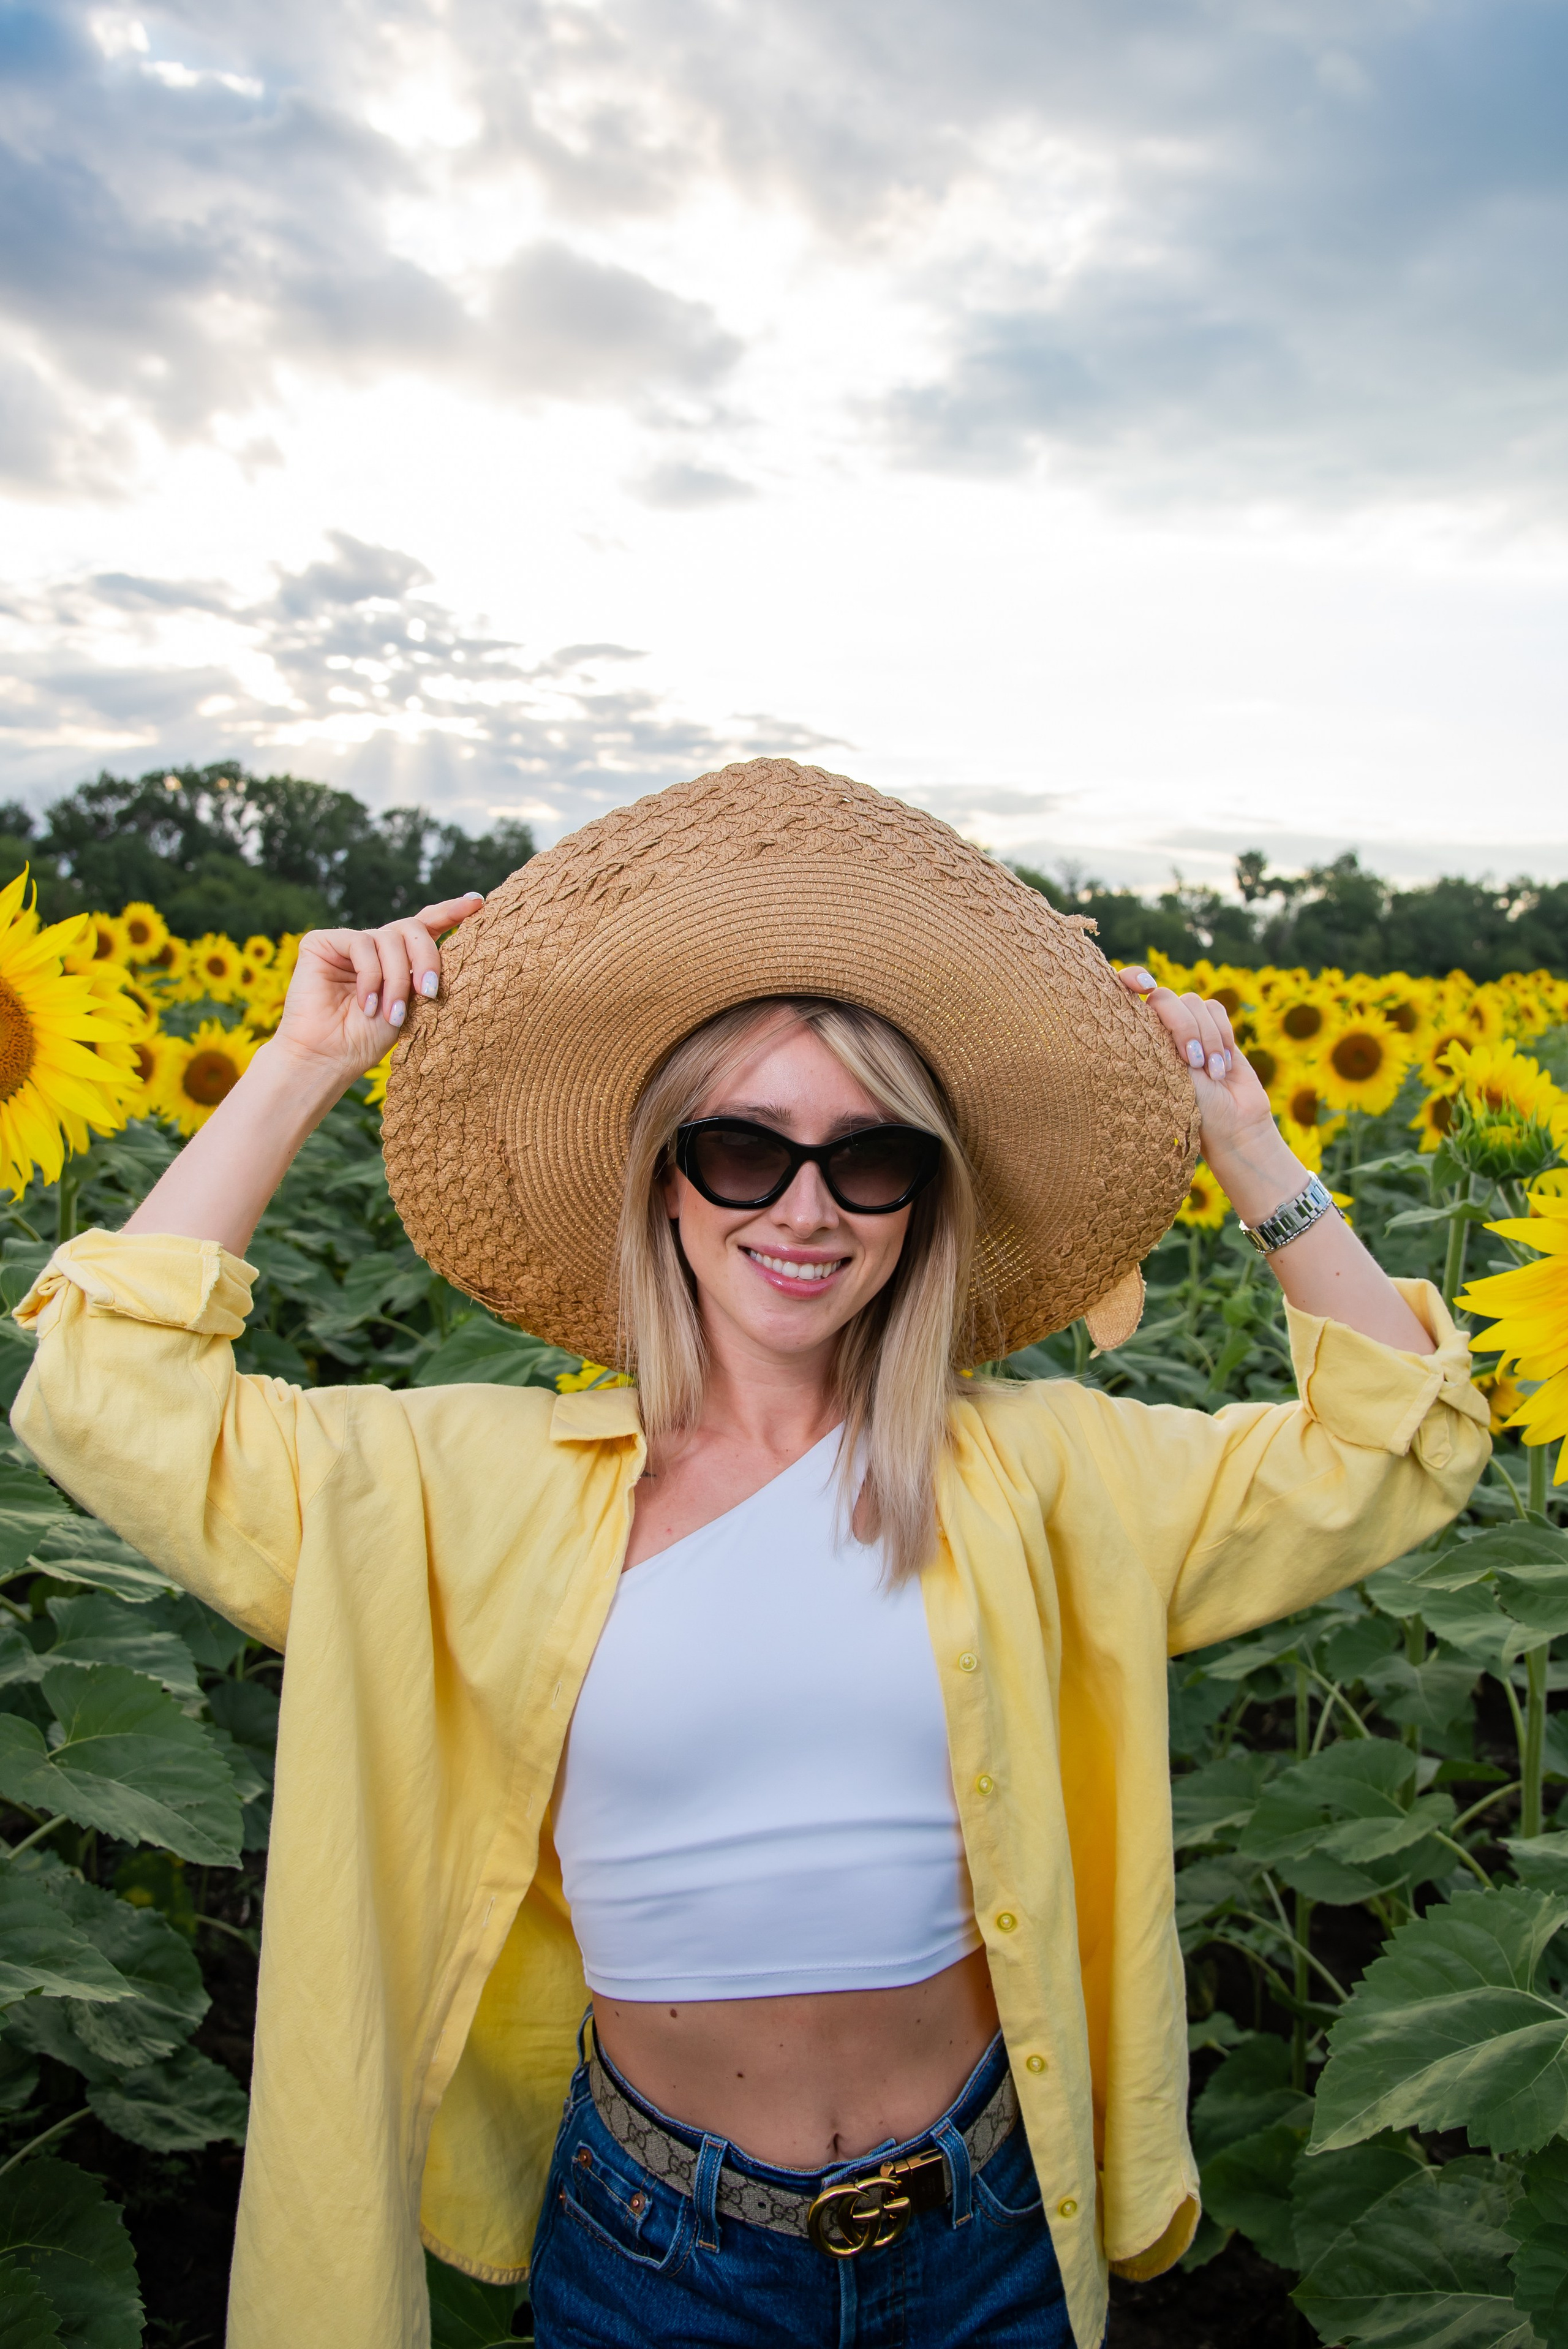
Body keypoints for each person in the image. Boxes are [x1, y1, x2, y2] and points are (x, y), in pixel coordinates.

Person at [12, 759, 1488, 2349]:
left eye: (873, 1157)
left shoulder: (1038, 1471)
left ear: (924, 1199)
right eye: (742, 1148)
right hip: (661, 2249)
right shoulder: (465, 1491)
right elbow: (106, 1401)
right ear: (662, 1170)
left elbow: (1394, 1449)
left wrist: (1247, 1143)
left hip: (984, 2225)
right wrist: (303, 1059)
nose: (808, 1206)